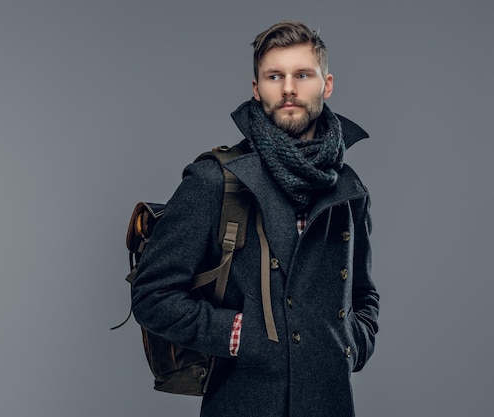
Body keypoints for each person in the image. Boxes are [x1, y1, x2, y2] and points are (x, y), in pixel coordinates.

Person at [131, 20, 379, 417]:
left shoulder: (349, 191)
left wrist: (351, 343)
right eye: (274, 76)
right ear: (256, 88)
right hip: (244, 402)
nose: (288, 89)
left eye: (302, 74)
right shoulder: (215, 180)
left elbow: (364, 295)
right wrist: (240, 337)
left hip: (330, 404)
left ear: (326, 84)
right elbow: (151, 296)